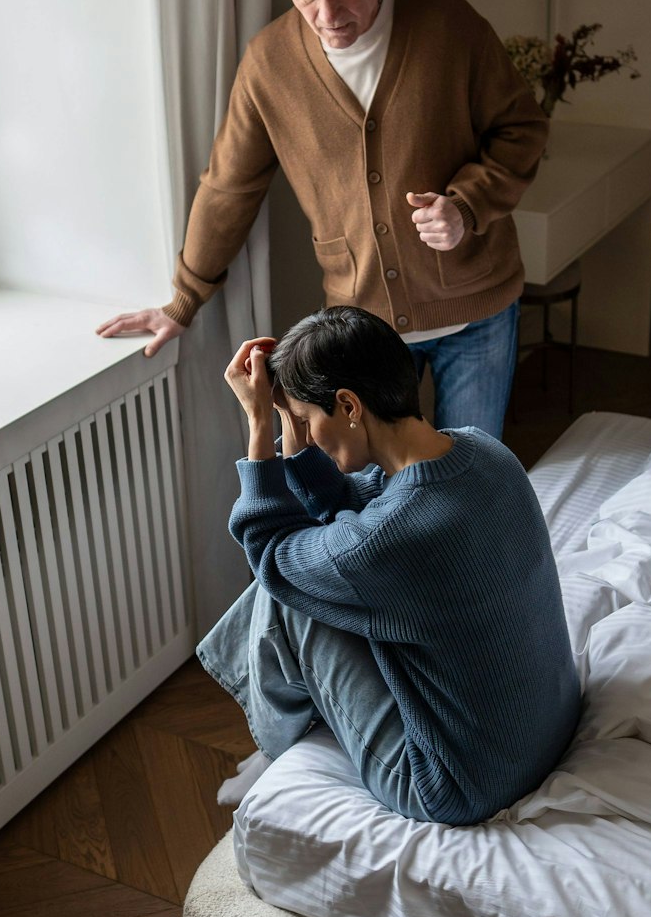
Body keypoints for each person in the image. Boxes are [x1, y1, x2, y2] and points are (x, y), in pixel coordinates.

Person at [97, 0, 548, 439]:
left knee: (472, 476)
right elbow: (229, 186)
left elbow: (521, 127)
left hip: (476, 308)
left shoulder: (447, 22)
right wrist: (183, 298)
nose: (327, 12)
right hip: (363, 323)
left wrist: (467, 205)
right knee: (377, 495)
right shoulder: (269, 63)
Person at [196, 306, 580, 825]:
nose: (306, 438)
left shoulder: (391, 537)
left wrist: (260, 424)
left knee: (289, 596)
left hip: (452, 783)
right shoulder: (485, 451)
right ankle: (276, 732)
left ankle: (273, 746)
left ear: (349, 405)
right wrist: (292, 416)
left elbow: (271, 553)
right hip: (547, 725)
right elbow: (351, 510)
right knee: (314, 568)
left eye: (308, 422)